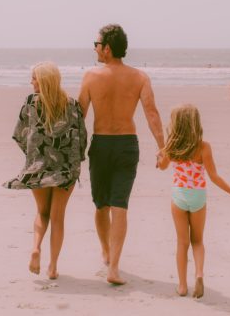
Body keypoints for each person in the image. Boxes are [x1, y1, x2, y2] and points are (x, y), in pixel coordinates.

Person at [78, 24, 165, 285]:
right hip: (127, 144)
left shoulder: (91, 77)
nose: (94, 48)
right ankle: (111, 261)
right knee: (115, 205)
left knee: (105, 205)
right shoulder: (139, 77)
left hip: (103, 144)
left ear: (107, 48)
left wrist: (74, 151)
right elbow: (152, 114)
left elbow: (79, 117)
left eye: (96, 43)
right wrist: (163, 148)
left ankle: (110, 258)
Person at [3, 62, 87, 280]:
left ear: (44, 81)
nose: (31, 82)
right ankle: (53, 266)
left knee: (42, 213)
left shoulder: (31, 103)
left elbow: (19, 134)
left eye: (34, 78)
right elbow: (82, 138)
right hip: (65, 169)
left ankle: (36, 248)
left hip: (38, 167)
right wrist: (76, 162)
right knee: (58, 218)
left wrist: (33, 157)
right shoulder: (72, 105)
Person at [157, 104, 230, 298]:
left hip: (179, 195)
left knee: (182, 243)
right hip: (198, 196)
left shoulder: (171, 145)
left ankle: (181, 286)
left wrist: (160, 157)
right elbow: (214, 176)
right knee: (197, 240)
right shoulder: (203, 147)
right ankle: (199, 274)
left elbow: (162, 166)